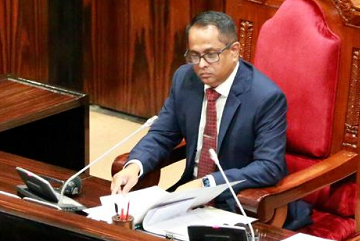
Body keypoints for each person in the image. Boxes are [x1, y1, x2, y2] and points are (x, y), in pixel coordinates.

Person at [110, 11, 288, 212]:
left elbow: (269, 167)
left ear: (234, 51)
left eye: (211, 55)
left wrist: (208, 183)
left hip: (238, 203)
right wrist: (135, 165)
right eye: (194, 56)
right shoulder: (185, 79)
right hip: (186, 198)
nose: (201, 64)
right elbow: (162, 134)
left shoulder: (265, 97)